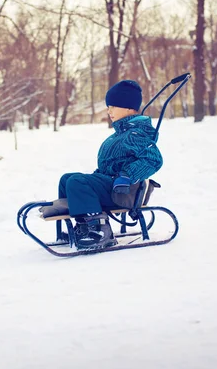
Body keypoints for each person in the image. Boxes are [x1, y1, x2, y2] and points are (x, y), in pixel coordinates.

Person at [58, 80, 163, 251]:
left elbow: (153, 159)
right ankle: (84, 225)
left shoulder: (135, 134)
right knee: (67, 179)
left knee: (76, 181)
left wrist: (127, 175)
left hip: (123, 190)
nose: (109, 111)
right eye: (108, 107)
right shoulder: (119, 135)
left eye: (113, 106)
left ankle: (100, 230)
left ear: (129, 108)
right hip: (111, 183)